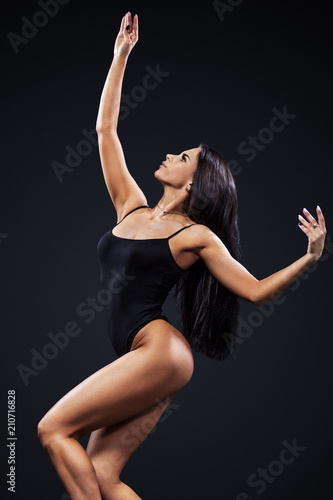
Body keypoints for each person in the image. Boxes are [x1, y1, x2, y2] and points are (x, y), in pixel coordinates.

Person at [37, 12, 327, 500]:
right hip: (144, 355)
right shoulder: (130, 205)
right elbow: (106, 130)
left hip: (162, 353)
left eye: (185, 157)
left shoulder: (195, 236)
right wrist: (121, 55)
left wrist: (310, 258)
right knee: (102, 477)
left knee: (52, 429)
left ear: (193, 183)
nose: (172, 155)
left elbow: (253, 291)